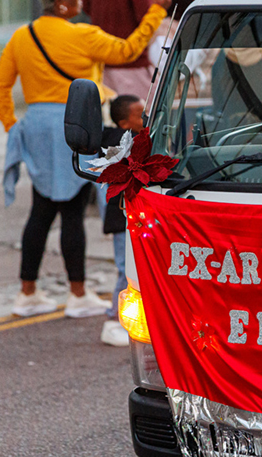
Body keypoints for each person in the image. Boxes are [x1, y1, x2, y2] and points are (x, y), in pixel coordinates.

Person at [0, 0, 168, 318]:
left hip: (36, 125)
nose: (82, 3)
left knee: (41, 209)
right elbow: (128, 51)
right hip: (75, 124)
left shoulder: (21, 36)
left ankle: (27, 293)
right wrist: (155, 12)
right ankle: (78, 294)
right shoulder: (84, 35)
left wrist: (11, 125)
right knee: (73, 209)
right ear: (62, 5)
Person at [99, 95, 144, 346]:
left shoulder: (130, 138)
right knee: (125, 270)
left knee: (131, 268)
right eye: (140, 115)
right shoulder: (124, 143)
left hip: (132, 218)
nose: (145, 118)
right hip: (122, 218)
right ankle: (115, 320)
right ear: (125, 124)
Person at [85, 0, 173, 99]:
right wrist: (159, 9)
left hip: (104, 64)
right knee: (146, 106)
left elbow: (86, 8)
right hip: (133, 66)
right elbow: (146, 14)